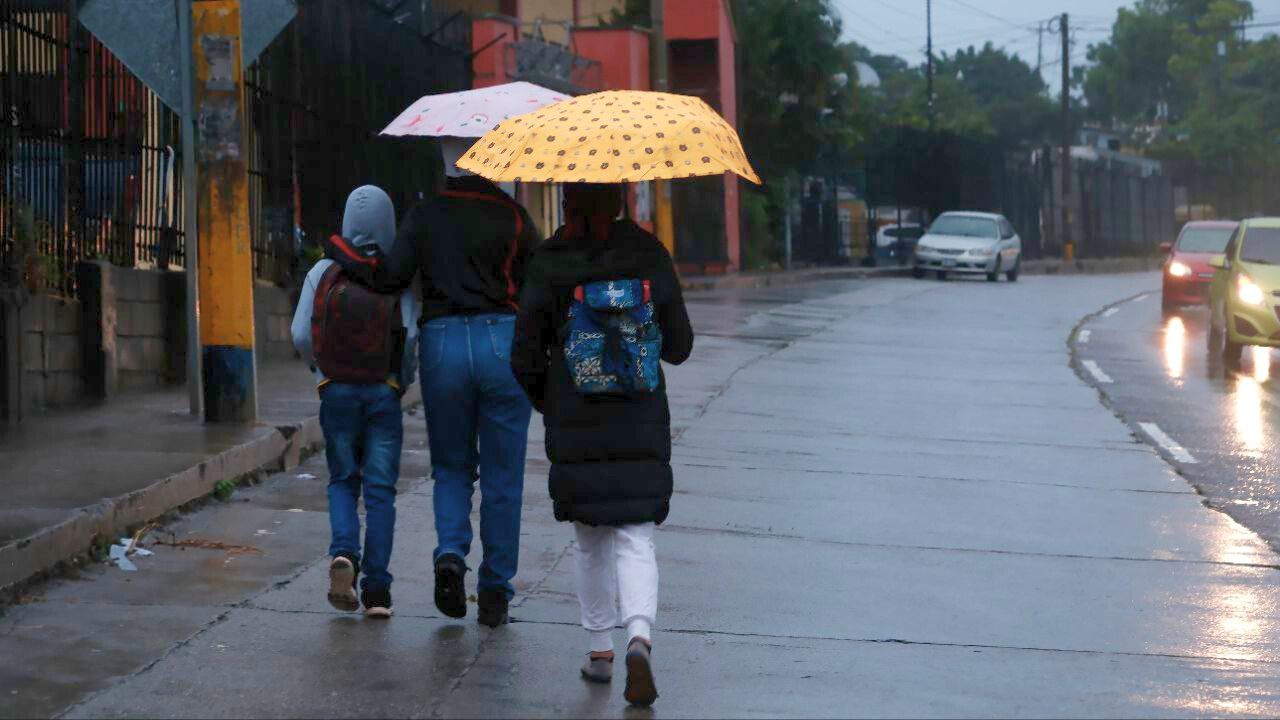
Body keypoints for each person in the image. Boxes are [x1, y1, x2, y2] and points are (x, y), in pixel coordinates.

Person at [323, 139, 539, 627]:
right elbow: (537, 286)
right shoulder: (515, 218)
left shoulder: (425, 215)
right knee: (503, 478)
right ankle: (496, 592)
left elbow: (389, 278)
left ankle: (450, 554)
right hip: (503, 344)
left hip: (442, 345)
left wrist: (338, 250)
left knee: (452, 467)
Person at [510, 183, 694, 707]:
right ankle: (639, 635)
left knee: (589, 536)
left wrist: (553, 400)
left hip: (575, 411)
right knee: (636, 534)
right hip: (639, 413)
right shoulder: (649, 254)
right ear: (620, 202)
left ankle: (599, 651)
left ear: (568, 204)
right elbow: (679, 347)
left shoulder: (550, 261)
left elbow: (523, 355)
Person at [290, 185, 420, 618]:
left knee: (344, 480)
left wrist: (321, 371)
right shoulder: (395, 273)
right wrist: (400, 381)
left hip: (338, 392)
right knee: (381, 491)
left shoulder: (323, 270)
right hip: (383, 393)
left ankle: (344, 553)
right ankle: (378, 592)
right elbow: (411, 334)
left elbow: (301, 335)